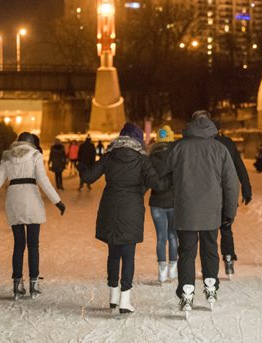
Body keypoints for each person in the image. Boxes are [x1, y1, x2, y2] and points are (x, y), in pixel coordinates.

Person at [79, 122, 165, 314]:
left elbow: (89, 177)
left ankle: (113, 297)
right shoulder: (142, 159)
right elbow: (157, 184)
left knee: (113, 254)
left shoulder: (109, 156)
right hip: (131, 209)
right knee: (128, 255)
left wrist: (82, 167)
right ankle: (125, 301)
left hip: (110, 208)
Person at [162, 110, 239, 315]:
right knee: (210, 249)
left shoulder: (178, 148)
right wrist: (229, 212)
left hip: (186, 210)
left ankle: (187, 291)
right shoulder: (219, 149)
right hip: (211, 211)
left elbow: (164, 175)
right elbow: (231, 183)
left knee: (187, 252)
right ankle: (211, 286)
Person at [0, 132, 65, 300]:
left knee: (18, 245)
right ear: (31, 143)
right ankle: (34, 285)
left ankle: (17, 286)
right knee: (33, 245)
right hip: (31, 201)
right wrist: (57, 201)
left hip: (14, 201)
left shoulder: (7, 157)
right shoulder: (35, 155)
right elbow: (44, 181)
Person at [213, 121, 252, 279]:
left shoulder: (206, 144)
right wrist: (246, 188)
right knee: (226, 228)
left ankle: (211, 267)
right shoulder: (228, 143)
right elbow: (239, 166)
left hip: (210, 195)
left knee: (209, 232)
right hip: (228, 193)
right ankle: (228, 259)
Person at [148, 125, 178, 283]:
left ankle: (162, 271)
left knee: (161, 237)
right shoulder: (176, 156)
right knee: (173, 236)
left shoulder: (151, 156)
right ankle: (173, 269)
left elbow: (148, 179)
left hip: (156, 202)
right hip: (173, 201)